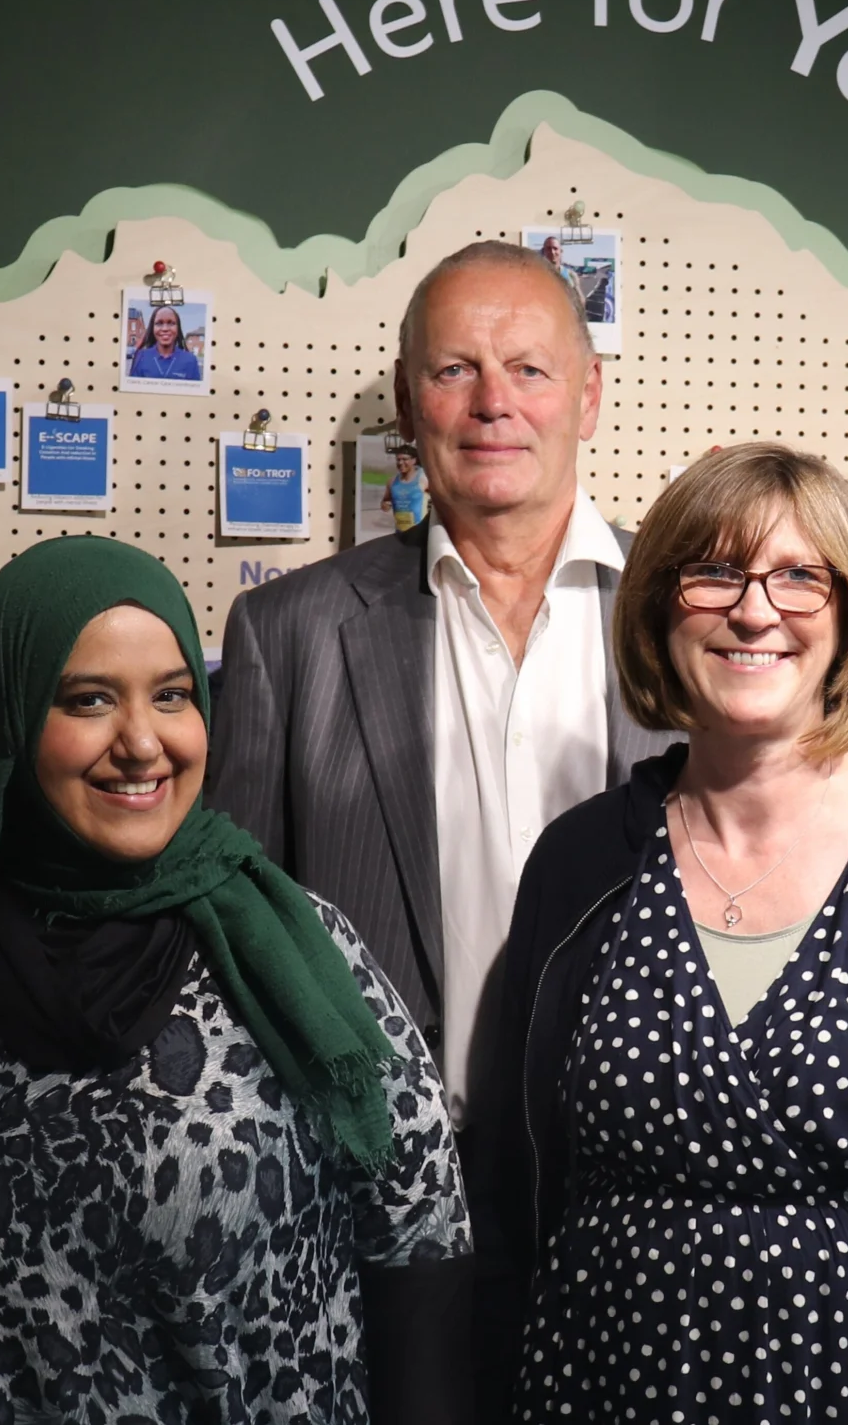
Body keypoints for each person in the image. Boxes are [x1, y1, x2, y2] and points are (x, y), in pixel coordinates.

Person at [474, 440, 848, 1422]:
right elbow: (509, 1177)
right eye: (714, 571)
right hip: (594, 1385)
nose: (755, 610)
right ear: (659, 608)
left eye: (799, 576)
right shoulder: (581, 861)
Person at [0, 536, 472, 1423]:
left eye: (173, 695)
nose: (142, 743)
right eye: (88, 700)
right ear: (6, 718)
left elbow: (420, 1243)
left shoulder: (293, 948)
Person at [206, 240, 672, 1131]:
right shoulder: (287, 634)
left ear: (589, 396)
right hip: (389, 1175)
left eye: (529, 369)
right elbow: (242, 941)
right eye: (455, 370)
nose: (493, 402)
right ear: (406, 399)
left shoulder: (692, 615)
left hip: (639, 1175)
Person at [128, 303, 203, 381]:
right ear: (152, 328)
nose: (165, 328)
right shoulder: (141, 357)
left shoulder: (190, 360)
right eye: (159, 323)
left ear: (178, 328)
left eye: (171, 323)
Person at [381, 440, 429, 531]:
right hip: (400, 533)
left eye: (404, 459)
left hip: (419, 533)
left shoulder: (424, 478)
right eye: (398, 460)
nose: (400, 463)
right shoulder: (392, 482)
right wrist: (385, 505)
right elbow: (385, 503)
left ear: (414, 460)